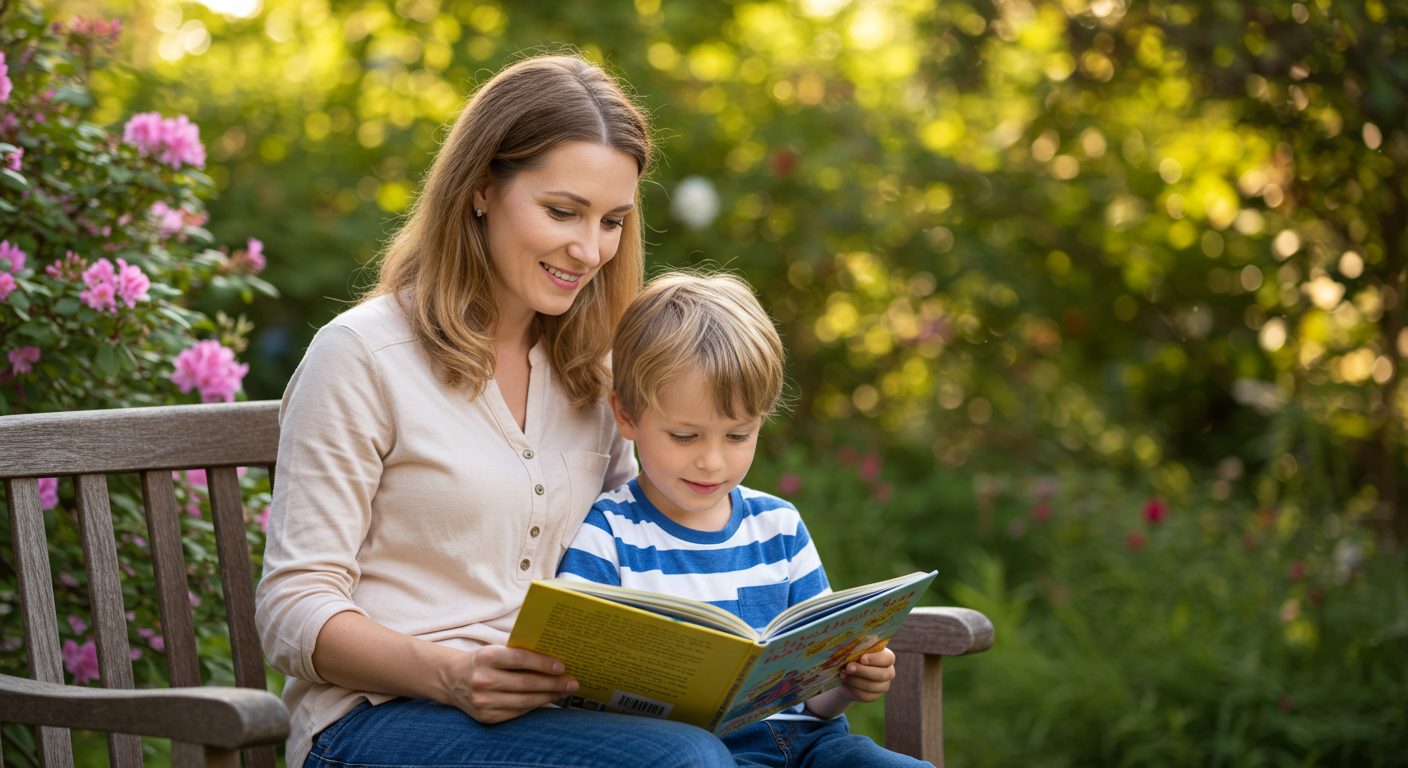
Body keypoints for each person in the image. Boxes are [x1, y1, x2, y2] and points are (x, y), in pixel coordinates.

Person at [254, 53, 737, 768]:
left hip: (564, 721)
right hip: (375, 724)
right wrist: (447, 673)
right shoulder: (361, 356)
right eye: (562, 211)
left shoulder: (595, 371)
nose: (589, 248)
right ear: (481, 189)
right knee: (683, 764)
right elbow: (293, 609)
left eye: (612, 221)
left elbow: (645, 541)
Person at [557, 271, 932, 768]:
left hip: (812, 747)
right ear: (626, 416)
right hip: (692, 753)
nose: (712, 462)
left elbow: (815, 695)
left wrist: (849, 681)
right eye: (685, 437)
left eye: (737, 436)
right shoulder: (610, 532)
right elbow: (573, 680)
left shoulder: (779, 527)